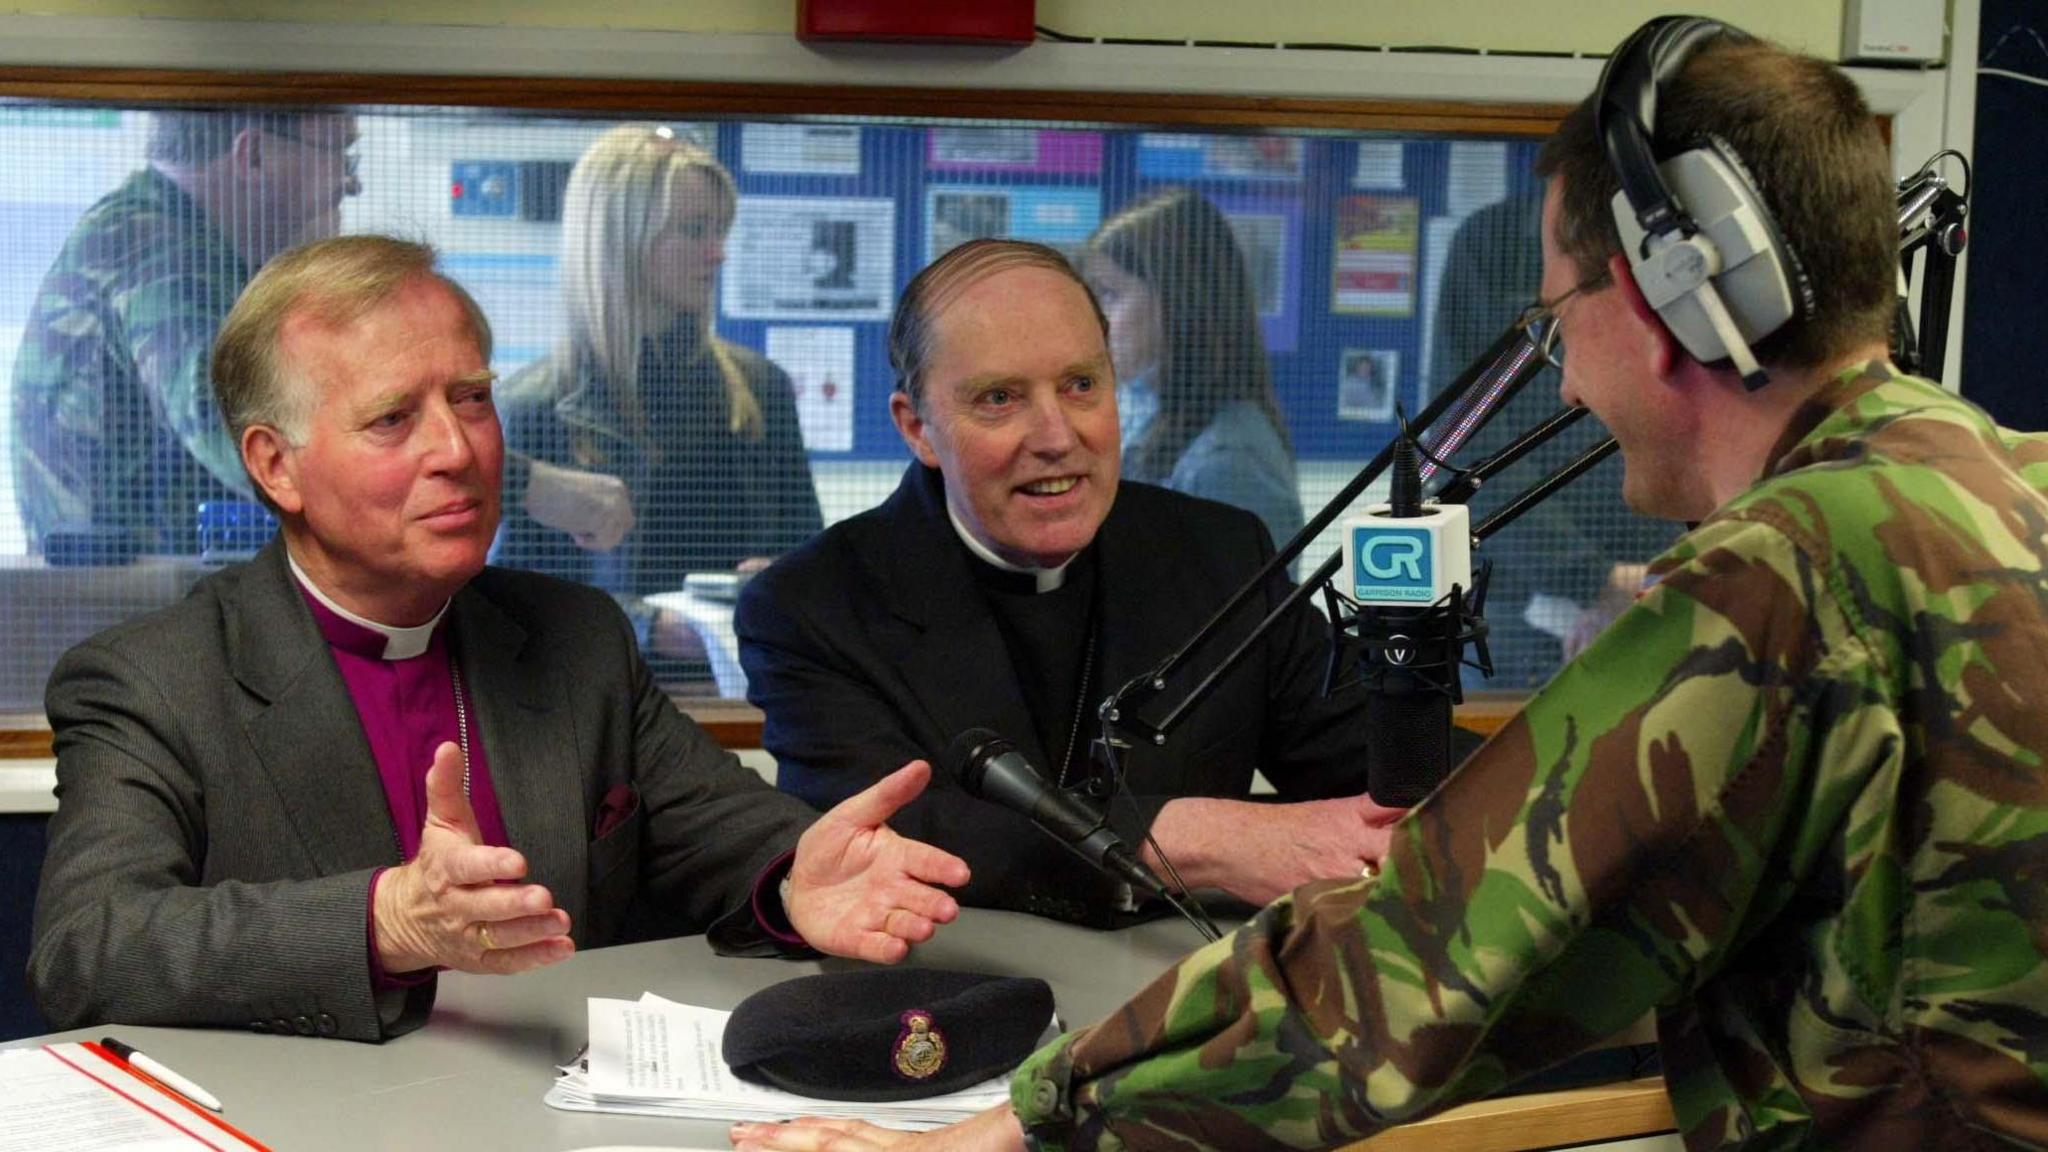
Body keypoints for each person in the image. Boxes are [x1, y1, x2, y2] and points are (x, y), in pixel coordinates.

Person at [730, 21, 2048, 1152]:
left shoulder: (1788, 568)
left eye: (1554, 319)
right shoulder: (2013, 483)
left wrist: (1021, 1124)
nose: (1567, 379)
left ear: (1673, 299)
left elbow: (1409, 969)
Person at [27, 235, 969, 1043]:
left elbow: (727, 837)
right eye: (395, 418)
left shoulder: (573, 638)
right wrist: (385, 922)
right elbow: (90, 946)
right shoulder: (153, 679)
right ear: (276, 465)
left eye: (471, 399)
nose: (459, 449)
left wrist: (802, 877)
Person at [738, 238, 1475, 929]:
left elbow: (1382, 761)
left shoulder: (1218, 554)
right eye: (1000, 398)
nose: (1057, 435)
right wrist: (1194, 835)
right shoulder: (811, 608)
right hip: (953, 1001)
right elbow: (892, 835)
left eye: (1081, 384)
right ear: (918, 428)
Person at [496, 125, 822, 673]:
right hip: (599, 699)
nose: (717, 254)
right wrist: (645, 627)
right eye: (694, 231)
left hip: (744, 693)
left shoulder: (757, 388)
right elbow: (503, 601)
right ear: (623, 242)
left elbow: (812, 558)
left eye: (721, 230)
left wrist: (783, 583)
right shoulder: (533, 405)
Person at [10, 109, 358, 554]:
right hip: (128, 597)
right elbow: (241, 440)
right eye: (340, 155)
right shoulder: (165, 254)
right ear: (252, 156)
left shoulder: (164, 232)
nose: (351, 183)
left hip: (141, 588)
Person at [1429, 189, 1677, 686]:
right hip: (1519, 607)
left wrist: (1659, 576)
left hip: (1663, 583)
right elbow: (1462, 443)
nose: (1570, 388)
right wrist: (1589, 579)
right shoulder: (1493, 244)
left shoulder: (1673, 237)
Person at [1081, 187, 1304, 552]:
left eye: (1110, 295)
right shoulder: (1147, 413)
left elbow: (1248, 605)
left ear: (1175, 301)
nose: (1095, 320)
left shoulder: (1229, 460)